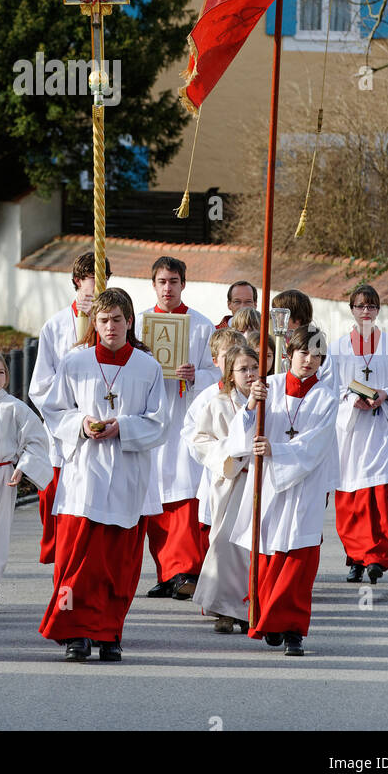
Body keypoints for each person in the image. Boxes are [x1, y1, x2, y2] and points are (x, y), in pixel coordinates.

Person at [39, 288, 168, 662]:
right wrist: (82, 424)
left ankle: (110, 631)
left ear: (130, 321)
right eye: (103, 320)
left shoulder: (148, 368)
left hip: (127, 477)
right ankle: (74, 632)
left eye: (117, 319)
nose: (110, 327)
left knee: (117, 565)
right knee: (77, 563)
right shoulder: (74, 363)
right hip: (84, 478)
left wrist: (122, 427)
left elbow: (160, 423)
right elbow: (54, 410)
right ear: (93, 324)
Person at [227, 323, 338, 657]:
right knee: (268, 553)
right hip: (268, 484)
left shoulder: (327, 397)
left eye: (317, 355)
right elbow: (241, 435)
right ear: (289, 354)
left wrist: (277, 450)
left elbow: (316, 444)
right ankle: (268, 620)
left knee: (298, 560)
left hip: (305, 484)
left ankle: (292, 630)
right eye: (303, 352)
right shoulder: (268, 386)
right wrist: (250, 406)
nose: (309, 360)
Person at [139, 256, 220, 600]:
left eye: (174, 281)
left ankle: (186, 570)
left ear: (183, 284)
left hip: (186, 418)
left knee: (185, 497)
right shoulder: (140, 324)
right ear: (153, 284)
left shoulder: (202, 326)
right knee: (155, 498)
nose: (168, 288)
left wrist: (196, 376)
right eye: (162, 281)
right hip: (153, 420)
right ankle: (166, 572)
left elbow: (219, 373)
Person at [29, 252, 111, 565]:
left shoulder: (111, 325)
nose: (97, 286)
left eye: (103, 280)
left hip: (102, 427)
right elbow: (40, 385)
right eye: (91, 280)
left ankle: (84, 559)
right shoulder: (54, 326)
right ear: (78, 281)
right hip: (64, 429)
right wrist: (69, 413)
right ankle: (57, 555)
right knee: (54, 496)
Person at [331, 284, 388, 584]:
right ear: (351, 309)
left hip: (382, 430)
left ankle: (376, 557)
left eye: (371, 306)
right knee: (352, 498)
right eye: (360, 305)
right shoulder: (338, 348)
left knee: (379, 494)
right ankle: (355, 557)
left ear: (378, 310)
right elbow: (331, 388)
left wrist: (384, 394)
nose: (366, 311)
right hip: (351, 432)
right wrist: (351, 400)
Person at [183, 330, 257, 633]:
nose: (250, 374)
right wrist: (230, 456)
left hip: (260, 483)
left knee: (253, 547)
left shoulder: (270, 401)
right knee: (225, 544)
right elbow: (200, 440)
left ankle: (249, 605)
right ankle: (223, 607)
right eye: (243, 369)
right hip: (230, 483)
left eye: (254, 368)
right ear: (230, 373)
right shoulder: (218, 404)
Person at [0, 351, 52, 613]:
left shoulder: (15, 408)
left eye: (1, 372)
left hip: (1, 475)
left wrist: (23, 466)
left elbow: (36, 439)